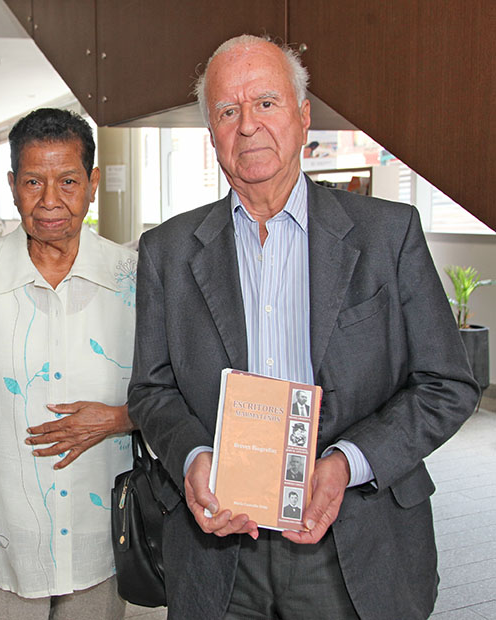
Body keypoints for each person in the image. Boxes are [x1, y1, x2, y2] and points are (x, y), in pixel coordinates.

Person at [128, 34, 479, 620]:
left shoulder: (388, 235)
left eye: (266, 102)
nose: (247, 125)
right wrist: (192, 458)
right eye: (227, 110)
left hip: (356, 542)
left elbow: (448, 384)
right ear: (211, 133)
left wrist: (346, 463)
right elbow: (151, 388)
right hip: (218, 549)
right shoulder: (166, 252)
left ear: (303, 115)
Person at [0, 108, 136, 620]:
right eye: (33, 182)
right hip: (2, 530)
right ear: (11, 185)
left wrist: (118, 418)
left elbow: (171, 391)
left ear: (92, 183)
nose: (50, 201)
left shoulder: (132, 279)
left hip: (102, 535)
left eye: (68, 181)